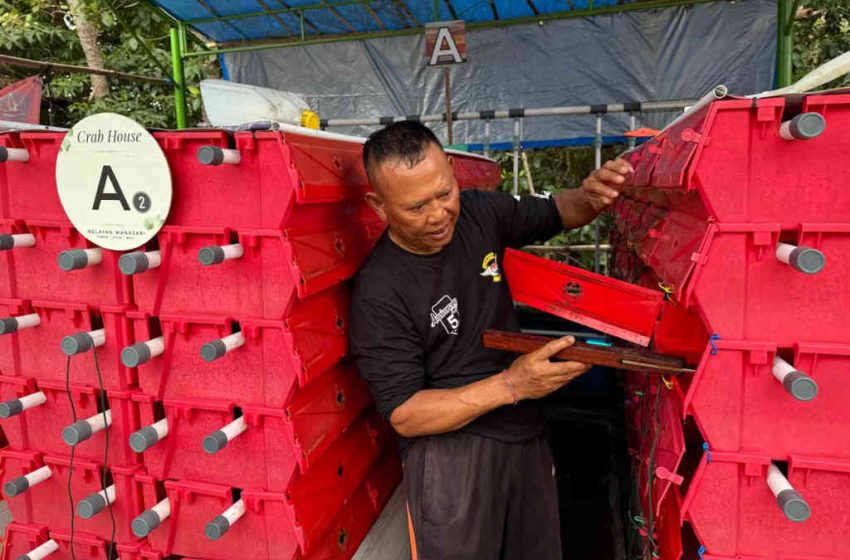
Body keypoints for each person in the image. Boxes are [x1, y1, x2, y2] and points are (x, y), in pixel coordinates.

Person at [349, 121, 633, 560]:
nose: (439, 215)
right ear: (379, 206)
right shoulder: (379, 292)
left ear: (451, 172)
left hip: (524, 432)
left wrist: (592, 196)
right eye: (416, 207)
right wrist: (513, 385)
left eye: (445, 194)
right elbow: (405, 414)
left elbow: (561, 210)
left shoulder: (481, 213)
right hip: (450, 458)